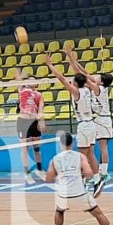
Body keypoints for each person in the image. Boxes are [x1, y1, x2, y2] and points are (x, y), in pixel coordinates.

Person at [45, 132, 113, 225]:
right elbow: (89, 174)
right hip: (79, 193)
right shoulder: (80, 156)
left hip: (63, 194)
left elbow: (49, 178)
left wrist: (61, 175)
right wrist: (80, 174)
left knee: (59, 211)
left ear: (61, 144)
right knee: (98, 213)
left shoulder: (55, 159)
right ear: (73, 143)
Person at [45, 55, 106, 197]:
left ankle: (82, 183)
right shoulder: (88, 89)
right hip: (91, 124)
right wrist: (71, 58)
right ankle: (97, 180)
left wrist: (50, 66)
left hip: (84, 126)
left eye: (72, 81)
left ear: (76, 84)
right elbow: (80, 73)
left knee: (83, 156)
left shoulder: (76, 92)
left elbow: (61, 79)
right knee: (90, 154)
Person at [65, 46, 113, 190]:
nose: (95, 76)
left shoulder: (100, 89)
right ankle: (93, 175)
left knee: (103, 146)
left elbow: (82, 75)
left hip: (103, 119)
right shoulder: (95, 85)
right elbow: (83, 72)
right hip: (95, 120)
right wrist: (72, 58)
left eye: (98, 77)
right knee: (91, 150)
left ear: (102, 81)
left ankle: (103, 173)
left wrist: (71, 58)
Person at [16, 71, 46, 185]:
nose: (31, 81)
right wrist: (18, 70)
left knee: (37, 148)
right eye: (29, 80)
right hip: (22, 121)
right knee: (24, 148)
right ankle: (27, 173)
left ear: (36, 84)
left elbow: (41, 110)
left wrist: (41, 121)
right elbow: (18, 78)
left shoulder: (39, 95)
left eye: (33, 80)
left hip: (34, 121)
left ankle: (39, 170)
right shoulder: (22, 90)